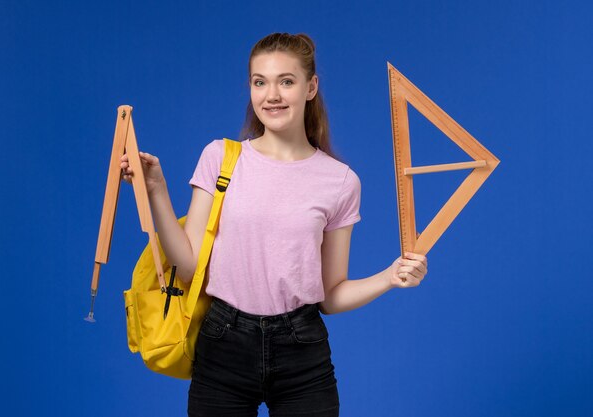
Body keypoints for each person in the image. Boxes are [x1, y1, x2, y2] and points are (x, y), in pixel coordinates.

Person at [120, 32, 427, 417]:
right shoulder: (220, 158)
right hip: (222, 342)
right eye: (259, 82)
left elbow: (330, 296)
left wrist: (390, 276)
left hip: (302, 350)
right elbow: (190, 265)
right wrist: (157, 191)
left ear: (310, 87)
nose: (272, 95)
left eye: (286, 81)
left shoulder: (341, 181)